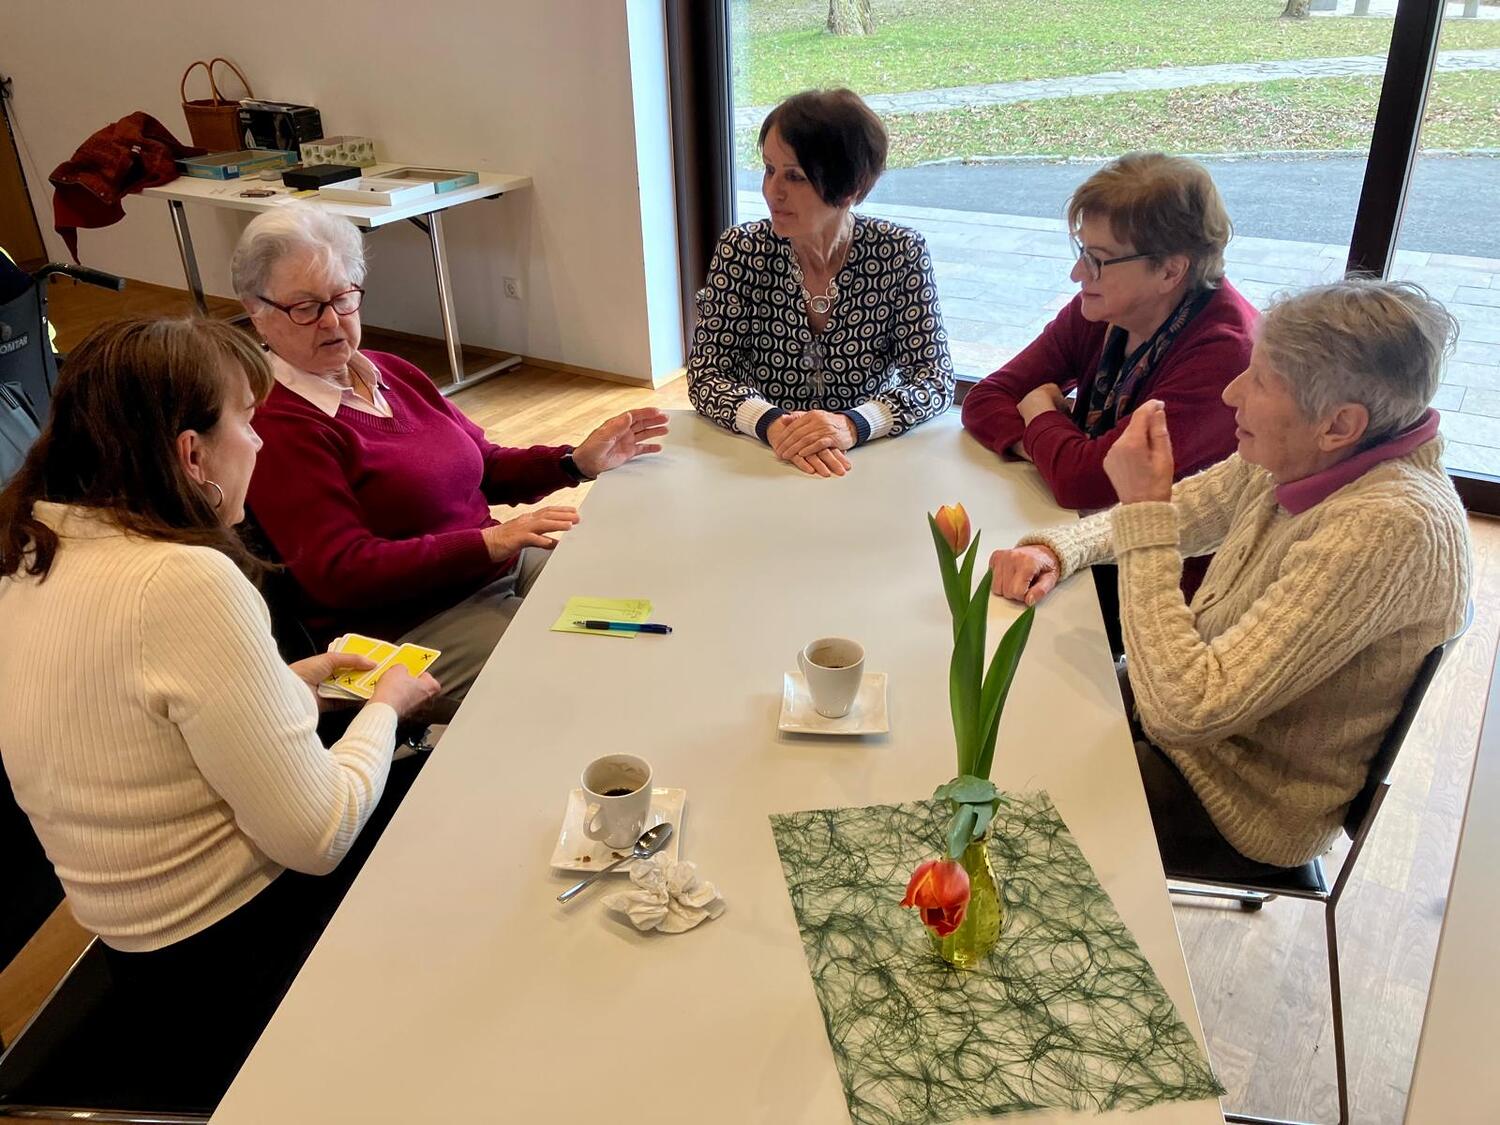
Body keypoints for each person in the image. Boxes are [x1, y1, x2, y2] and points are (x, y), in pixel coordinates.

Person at [0, 316, 440, 1087]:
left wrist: (290, 678)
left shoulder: (35, 549)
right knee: (446, 791)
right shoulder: (183, 578)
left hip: (140, 950)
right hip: (237, 956)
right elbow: (320, 834)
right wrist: (387, 704)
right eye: (247, 419)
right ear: (192, 454)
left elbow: (148, 722)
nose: (260, 442)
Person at [989, 280, 1471, 870]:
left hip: (1237, 799)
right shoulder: (1315, 452)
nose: (1232, 391)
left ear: (1339, 424)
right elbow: (1191, 510)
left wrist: (1143, 514)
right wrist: (1060, 549)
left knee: (994, 804)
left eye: (1261, 380)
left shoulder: (1387, 528)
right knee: (1003, 705)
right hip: (1179, 721)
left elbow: (1186, 712)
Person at [232, 204, 669, 718]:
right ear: (256, 311)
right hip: (410, 624)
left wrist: (574, 462)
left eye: (343, 298)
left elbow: (483, 464)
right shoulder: (277, 424)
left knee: (642, 610)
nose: (332, 321)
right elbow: (342, 571)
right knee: (590, 678)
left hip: (495, 570)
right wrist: (487, 542)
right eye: (305, 307)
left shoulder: (389, 371)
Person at [961, 153, 1257, 513]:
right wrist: (1057, 448)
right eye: (1082, 251)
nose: (1077, 273)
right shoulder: (1104, 308)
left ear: (1170, 271)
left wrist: (1039, 411)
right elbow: (984, 400)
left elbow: (1086, 482)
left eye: (1098, 260)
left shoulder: (1224, 354)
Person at [687, 88, 954, 478]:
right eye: (769, 169)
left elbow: (934, 378)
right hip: (762, 457)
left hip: (863, 460)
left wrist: (853, 424)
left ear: (850, 188)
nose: (772, 191)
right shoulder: (742, 250)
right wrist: (772, 423)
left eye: (795, 176)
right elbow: (708, 374)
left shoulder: (899, 251)